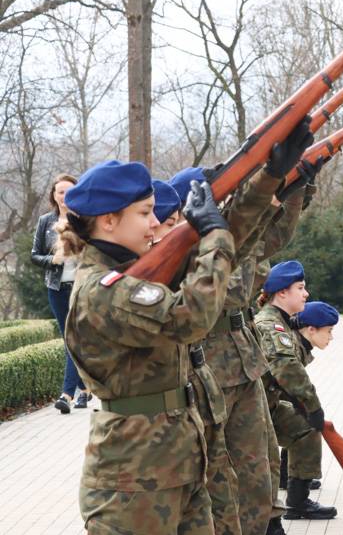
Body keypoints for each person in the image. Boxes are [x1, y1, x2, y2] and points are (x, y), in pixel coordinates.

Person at [59, 159, 234, 533]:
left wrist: (269, 182)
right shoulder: (102, 290)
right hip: (132, 481)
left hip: (176, 464)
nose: (155, 222)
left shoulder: (134, 273)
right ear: (108, 220)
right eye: (145, 212)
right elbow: (191, 317)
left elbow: (242, 247)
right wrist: (215, 236)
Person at [167, 122, 318, 535]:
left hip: (243, 358)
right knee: (222, 473)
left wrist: (292, 188)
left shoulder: (231, 240)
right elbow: (226, 293)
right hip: (211, 366)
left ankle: (270, 524)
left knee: (262, 460)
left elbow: (275, 234)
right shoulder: (186, 256)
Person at [255, 269, 338, 521]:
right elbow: (287, 369)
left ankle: (298, 501)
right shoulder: (271, 324)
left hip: (266, 405)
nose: (306, 294)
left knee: (306, 428)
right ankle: (269, 520)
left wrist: (306, 409)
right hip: (251, 410)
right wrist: (313, 406)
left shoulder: (280, 322)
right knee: (263, 463)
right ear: (282, 293)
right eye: (300, 288)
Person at [30, 173, 92, 414]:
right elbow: (34, 255)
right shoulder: (46, 221)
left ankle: (66, 394)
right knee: (70, 339)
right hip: (56, 288)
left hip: (81, 288)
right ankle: (85, 390)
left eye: (68, 192)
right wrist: (52, 260)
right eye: (60, 192)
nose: (64, 196)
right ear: (53, 196)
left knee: (75, 338)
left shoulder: (84, 220)